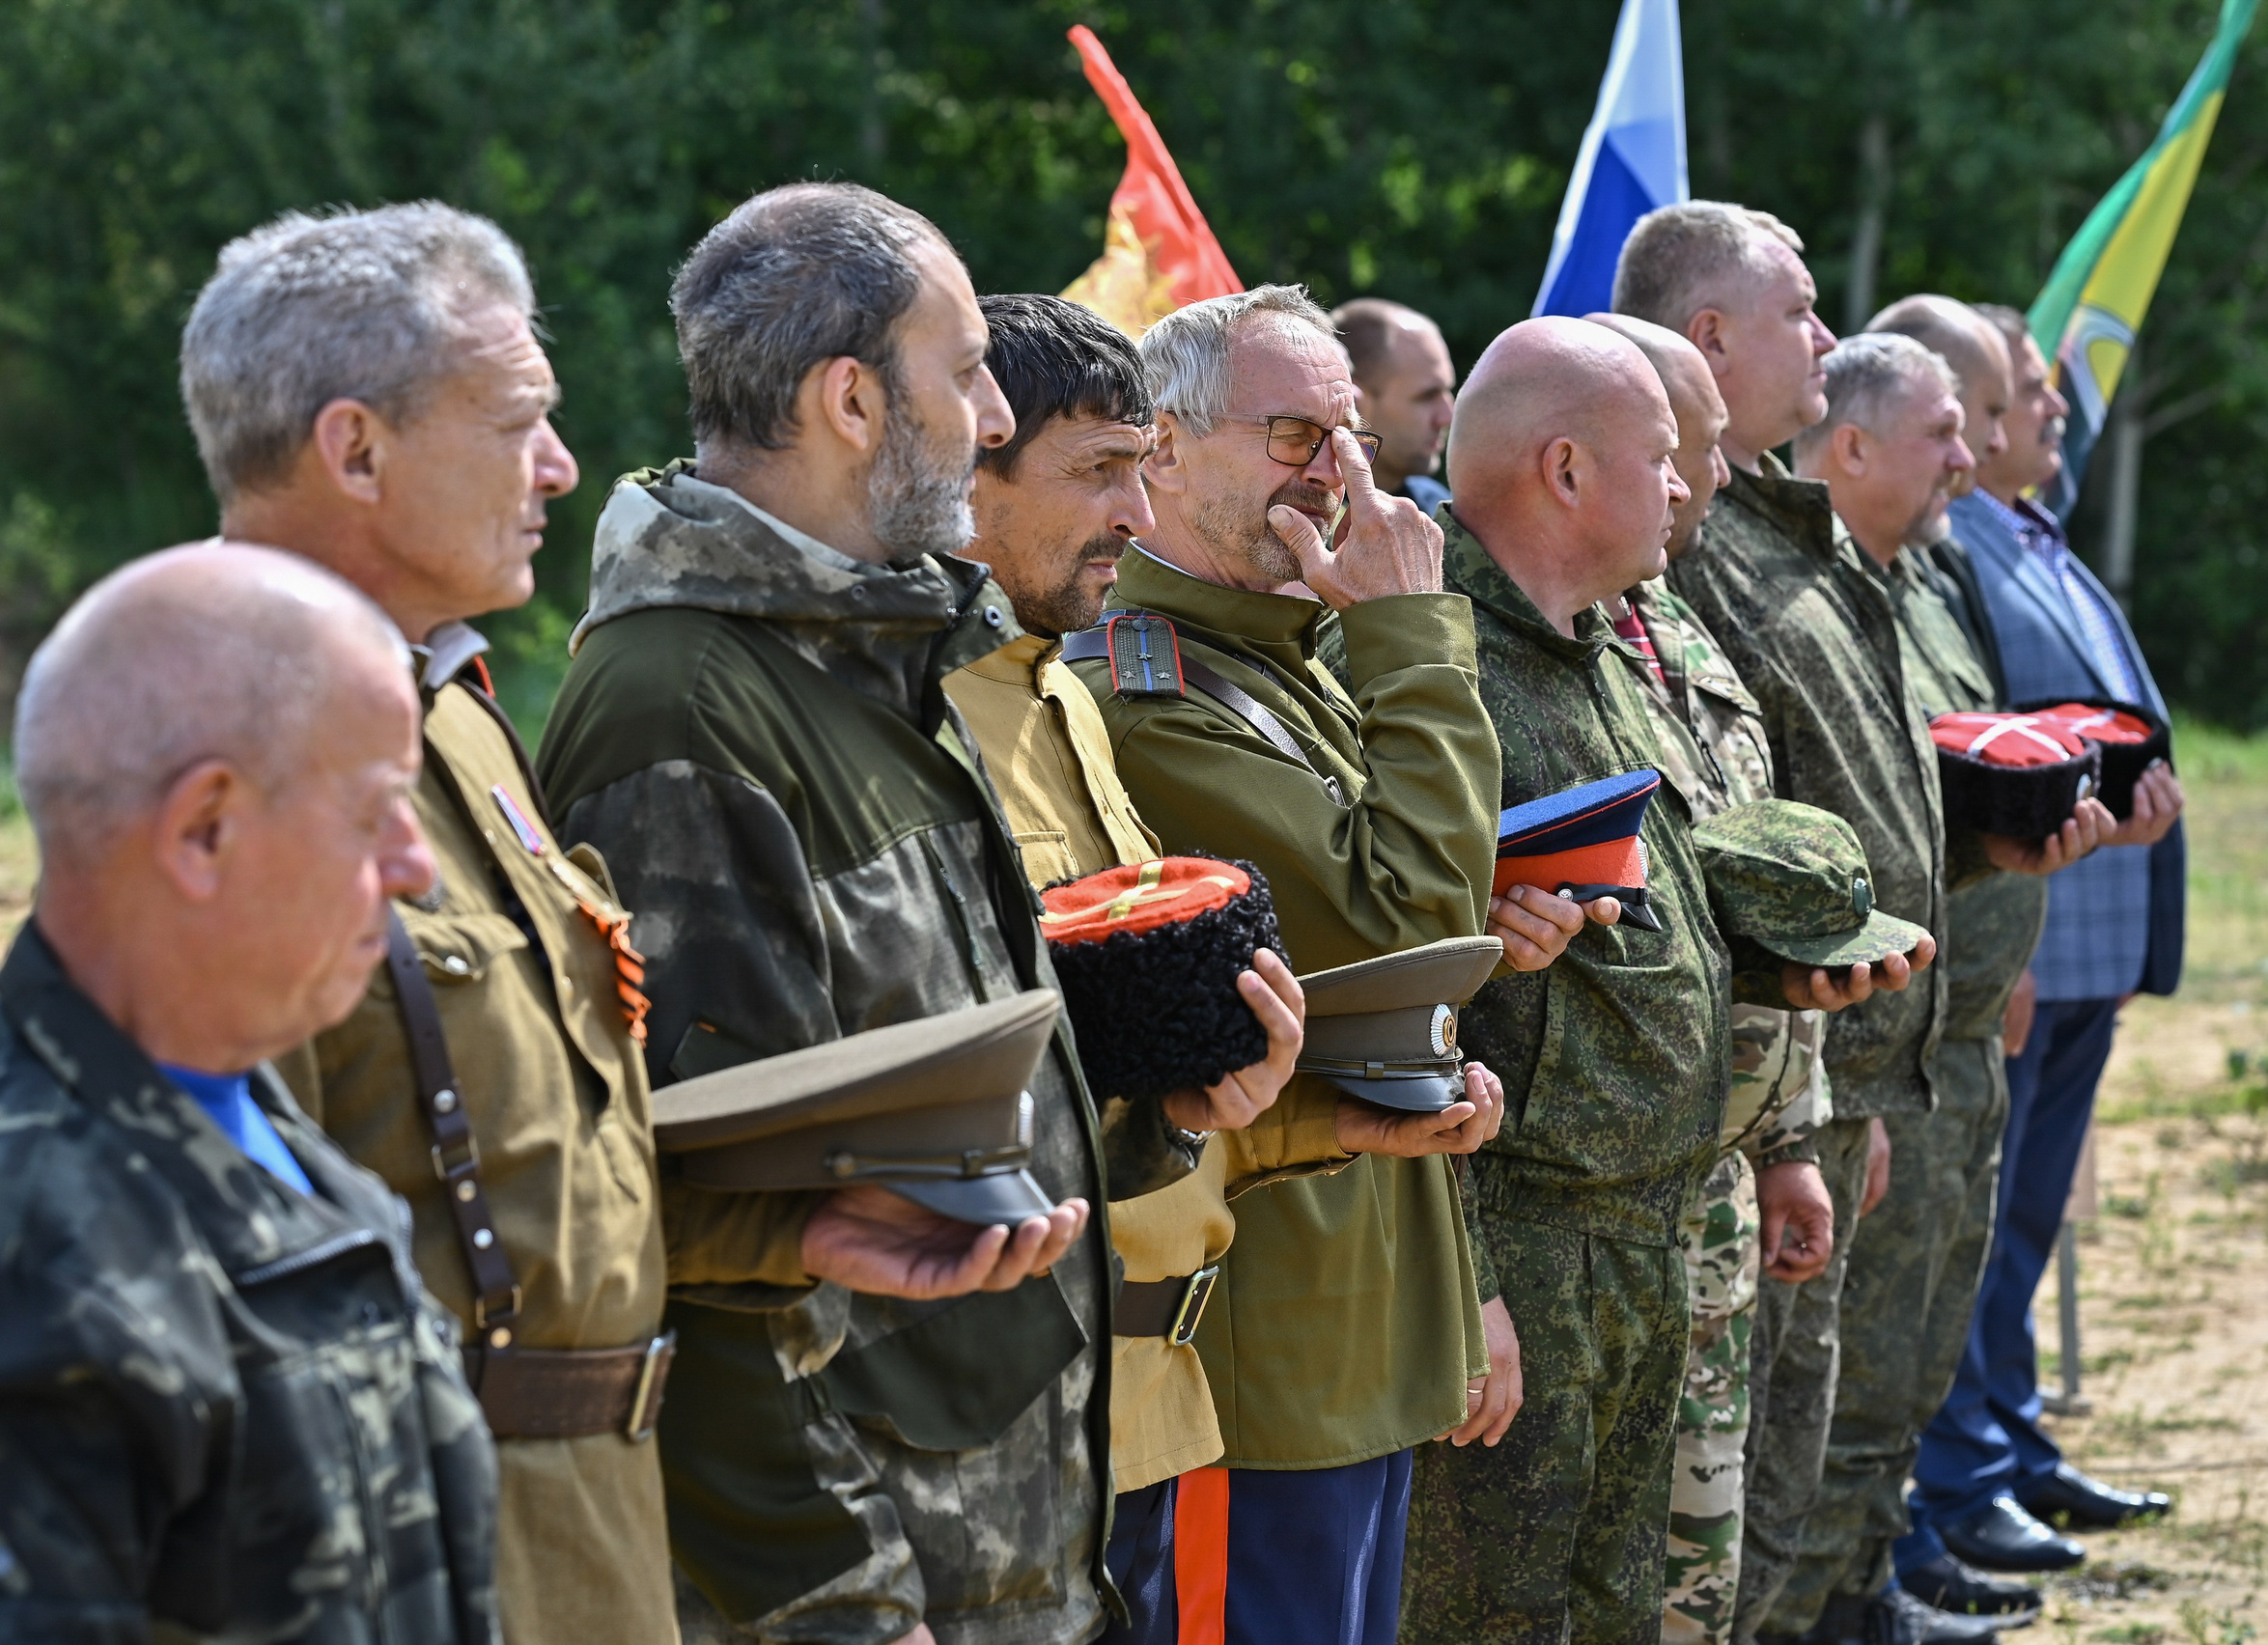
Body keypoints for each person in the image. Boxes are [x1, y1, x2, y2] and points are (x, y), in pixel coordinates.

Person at [182, 203, 1031, 1645]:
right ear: (355, 449)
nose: (564, 468)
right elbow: (213, 1292)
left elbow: (539, 1173)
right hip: (413, 1557)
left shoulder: (448, 721)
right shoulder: (229, 763)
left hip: (578, 1539)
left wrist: (801, 1229)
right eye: (517, 418)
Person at [539, 182, 1140, 1645]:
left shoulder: (871, 660)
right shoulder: (682, 710)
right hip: (877, 1583)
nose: (995, 416)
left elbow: (925, 1106)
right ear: (854, 400)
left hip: (1003, 1549)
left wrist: (1169, 1108)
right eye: (967, 371)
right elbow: (709, 1231)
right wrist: (829, 1603)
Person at [948, 292, 1519, 1643]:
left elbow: (1409, 980)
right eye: (1295, 434)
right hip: (1271, 1346)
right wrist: (1410, 630)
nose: (1337, 475)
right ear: (1168, 451)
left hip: (1360, 1313)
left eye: (1350, 437)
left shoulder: (1284, 655)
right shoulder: (1144, 692)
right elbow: (1408, 919)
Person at [1617, 203, 2096, 1645]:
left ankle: (1853, 1601)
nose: (1827, 343)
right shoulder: (1700, 560)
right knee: (1754, 1464)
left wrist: (1980, 853)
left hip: (1870, 1053)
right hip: (1782, 1083)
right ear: (1710, 340)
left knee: (1848, 1405)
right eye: (1801, 315)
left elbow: (1855, 798)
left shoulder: (1804, 544)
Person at [1404, 314, 1898, 1645]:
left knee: (1617, 1609)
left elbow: (1632, 917)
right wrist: (1466, 1287)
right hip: (1526, 1243)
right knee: (1496, 1618)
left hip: (1643, 1230)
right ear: (1567, 472)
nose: (1690, 489)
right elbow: (1401, 1007)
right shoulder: (1434, 673)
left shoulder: (1600, 653)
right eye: (1664, 459)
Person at [0, 543, 499, 1641]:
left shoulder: (256, 1124)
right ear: (205, 831)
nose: (415, 866)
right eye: (377, 811)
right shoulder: (38, 1255)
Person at [1771, 322, 2072, 1638]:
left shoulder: (1908, 579)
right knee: (1834, 1374)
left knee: (1907, 1344)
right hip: (1846, 1055)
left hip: (1932, 1023)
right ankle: (1837, 1600)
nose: (1977, 455)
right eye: (1948, 430)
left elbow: (1913, 795)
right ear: (1849, 446)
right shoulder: (1791, 585)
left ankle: (1868, 1578)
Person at [1905, 305, 2186, 1579]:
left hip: (2085, 938)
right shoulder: (1957, 548)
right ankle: (1962, 1469)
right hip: (2027, 936)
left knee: (2024, 1223)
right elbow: (1987, 746)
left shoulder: (2028, 531)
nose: (2055, 408)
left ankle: (2009, 1442)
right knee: (1990, 1218)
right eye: (2028, 390)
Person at [1583, 313, 1850, 1645]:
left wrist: (1789, 1133)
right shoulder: (1507, 648)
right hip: (1590, 1221)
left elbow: (1731, 906)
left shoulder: (1675, 632)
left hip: (1723, 1191)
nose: (1711, 484)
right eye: (1682, 453)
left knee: (1701, 1579)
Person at [1332, 296, 1458, 515]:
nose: (1447, 416)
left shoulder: (1440, 511)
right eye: (1427, 396)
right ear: (1352, 401)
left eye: (1447, 391)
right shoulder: (1306, 519)